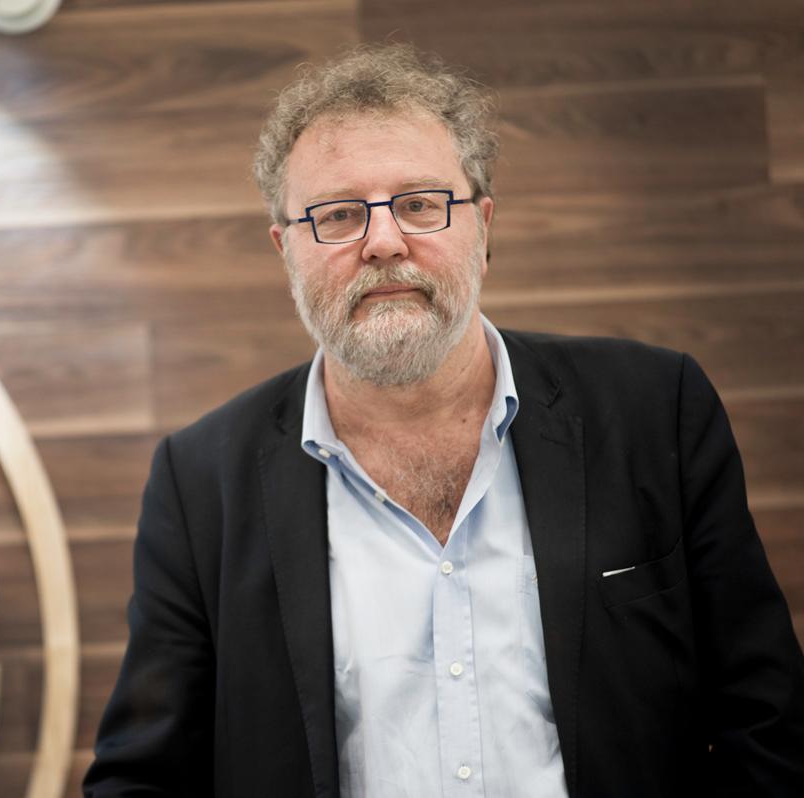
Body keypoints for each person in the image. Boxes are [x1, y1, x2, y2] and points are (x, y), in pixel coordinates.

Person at [82, 43, 804, 798]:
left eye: (422, 204)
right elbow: (145, 777)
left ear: (483, 228)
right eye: (338, 215)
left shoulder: (656, 411)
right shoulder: (200, 485)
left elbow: (770, 727)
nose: (385, 242)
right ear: (286, 250)